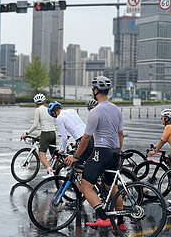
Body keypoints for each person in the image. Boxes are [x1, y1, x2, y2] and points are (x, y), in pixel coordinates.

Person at [65, 76, 124, 230]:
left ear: (96, 91)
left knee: (85, 186)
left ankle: (103, 217)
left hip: (101, 151)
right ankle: (121, 223)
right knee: (111, 186)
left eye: (93, 89)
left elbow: (86, 137)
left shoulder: (95, 111)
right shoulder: (117, 110)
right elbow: (120, 134)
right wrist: (118, 152)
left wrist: (76, 155)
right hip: (114, 152)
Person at [20, 93, 56, 177]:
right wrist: (38, 136)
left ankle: (50, 172)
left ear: (35, 103)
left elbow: (35, 125)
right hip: (53, 133)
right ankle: (58, 170)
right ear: (44, 101)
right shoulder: (48, 109)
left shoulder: (38, 110)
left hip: (46, 134)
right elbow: (48, 125)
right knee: (54, 155)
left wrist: (26, 133)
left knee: (41, 155)